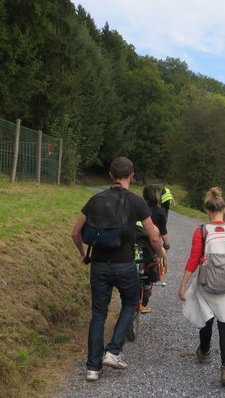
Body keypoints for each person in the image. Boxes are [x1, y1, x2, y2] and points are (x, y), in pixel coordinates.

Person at [71, 157, 165, 382]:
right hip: (124, 265)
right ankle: (113, 351)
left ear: (110, 175)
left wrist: (84, 255)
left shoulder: (95, 200)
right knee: (131, 303)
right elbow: (153, 235)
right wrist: (160, 254)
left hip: (100, 266)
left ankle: (92, 368)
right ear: (132, 176)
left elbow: (75, 233)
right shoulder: (136, 202)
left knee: (98, 314)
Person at [178, 187, 225, 387]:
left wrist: (183, 285)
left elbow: (193, 261)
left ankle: (204, 352)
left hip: (207, 285)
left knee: (206, 318)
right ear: (224, 209)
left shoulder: (201, 231)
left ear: (207, 211)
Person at [139, 185, 170, 313]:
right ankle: (147, 287)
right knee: (157, 260)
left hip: (137, 243)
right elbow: (163, 232)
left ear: (143, 196)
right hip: (152, 245)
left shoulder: (139, 208)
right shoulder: (160, 211)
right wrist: (167, 245)